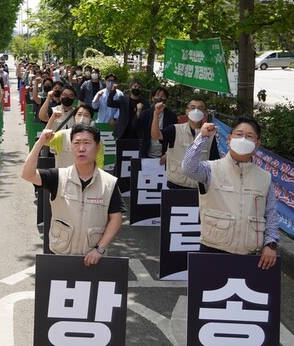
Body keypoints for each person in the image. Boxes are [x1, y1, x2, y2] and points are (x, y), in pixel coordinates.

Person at [181, 117, 279, 270]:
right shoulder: (211, 169)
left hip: (250, 257)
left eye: (249, 136)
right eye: (239, 134)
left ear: (257, 143)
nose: (243, 139)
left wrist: (270, 245)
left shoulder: (265, 177)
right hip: (213, 252)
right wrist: (203, 137)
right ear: (229, 138)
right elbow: (188, 168)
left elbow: (271, 214)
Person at [21, 123, 123, 265]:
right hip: (60, 255)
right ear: (71, 147)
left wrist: (100, 249)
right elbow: (27, 174)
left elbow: (116, 218)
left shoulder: (109, 183)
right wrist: (40, 143)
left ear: (98, 148)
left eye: (87, 143)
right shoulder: (58, 176)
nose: (81, 148)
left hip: (93, 258)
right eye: (76, 143)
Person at [151, 97, 220, 188]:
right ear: (187, 111)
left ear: (205, 113)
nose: (196, 110)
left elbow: (214, 161)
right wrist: (156, 114)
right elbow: (155, 135)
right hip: (176, 184)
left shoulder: (209, 135)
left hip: (199, 186)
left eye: (200, 108)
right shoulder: (174, 129)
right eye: (192, 107)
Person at [46, 104, 104, 169]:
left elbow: (99, 161)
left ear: (90, 119)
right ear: (74, 117)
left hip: (86, 177)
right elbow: (45, 140)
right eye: (79, 114)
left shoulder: (95, 138)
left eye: (86, 115)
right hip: (63, 177)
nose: (82, 118)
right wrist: (52, 119)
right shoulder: (62, 135)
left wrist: (99, 178)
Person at [138, 87, 177, 158]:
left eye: (163, 96)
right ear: (153, 98)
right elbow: (136, 126)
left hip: (164, 155)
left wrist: (168, 153)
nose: (160, 98)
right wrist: (138, 112)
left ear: (166, 99)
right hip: (147, 152)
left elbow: (174, 136)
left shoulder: (172, 115)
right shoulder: (146, 113)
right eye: (158, 95)